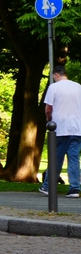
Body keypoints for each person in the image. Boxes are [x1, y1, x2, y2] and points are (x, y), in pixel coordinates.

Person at [40, 65, 81, 198]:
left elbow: (48, 108)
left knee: (56, 158)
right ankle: (75, 188)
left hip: (60, 128)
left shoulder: (54, 87)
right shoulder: (78, 86)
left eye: (53, 76)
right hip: (76, 128)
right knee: (74, 159)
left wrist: (49, 121)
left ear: (56, 75)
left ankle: (47, 186)